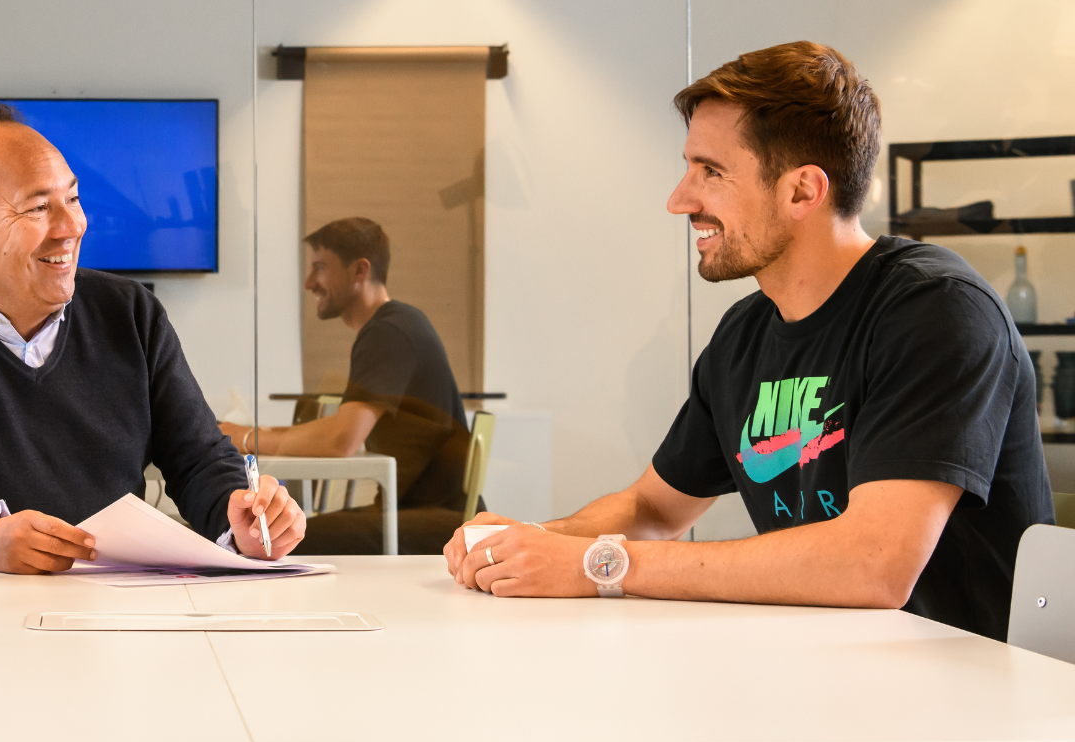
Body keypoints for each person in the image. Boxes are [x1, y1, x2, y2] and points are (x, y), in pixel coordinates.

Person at [446, 41, 1052, 640]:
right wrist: (528, 542)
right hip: (827, 666)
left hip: (966, 682)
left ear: (802, 191)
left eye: (711, 172)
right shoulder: (746, 333)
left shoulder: (937, 310)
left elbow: (873, 565)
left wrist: (599, 565)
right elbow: (653, 509)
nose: (679, 200)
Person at [0, 101, 304, 572]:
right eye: (37, 208)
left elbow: (200, 462)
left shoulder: (131, 314)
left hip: (114, 610)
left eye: (72, 198)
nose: (72, 227)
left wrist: (242, 519)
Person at [220, 217, 472, 553]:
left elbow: (341, 440)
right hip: (423, 512)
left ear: (359, 271)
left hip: (434, 520)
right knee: (273, 533)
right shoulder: (394, 325)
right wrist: (249, 434)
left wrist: (245, 438)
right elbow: (338, 430)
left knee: (269, 540)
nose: (309, 283)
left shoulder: (389, 332)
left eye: (320, 268)